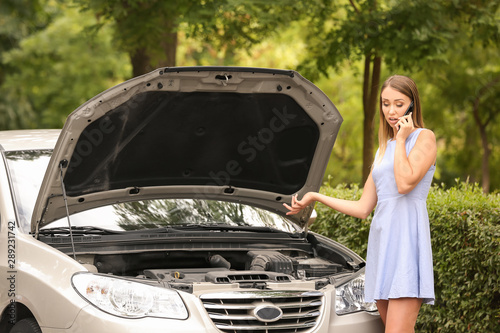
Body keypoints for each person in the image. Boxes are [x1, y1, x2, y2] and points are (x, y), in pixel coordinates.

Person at [284, 75, 436, 333]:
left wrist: (401, 139)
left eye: (399, 104)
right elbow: (363, 207)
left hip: (407, 241)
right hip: (381, 244)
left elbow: (405, 183)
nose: (391, 111)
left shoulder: (424, 138)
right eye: (385, 103)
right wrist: (315, 196)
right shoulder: (382, 149)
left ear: (412, 105)